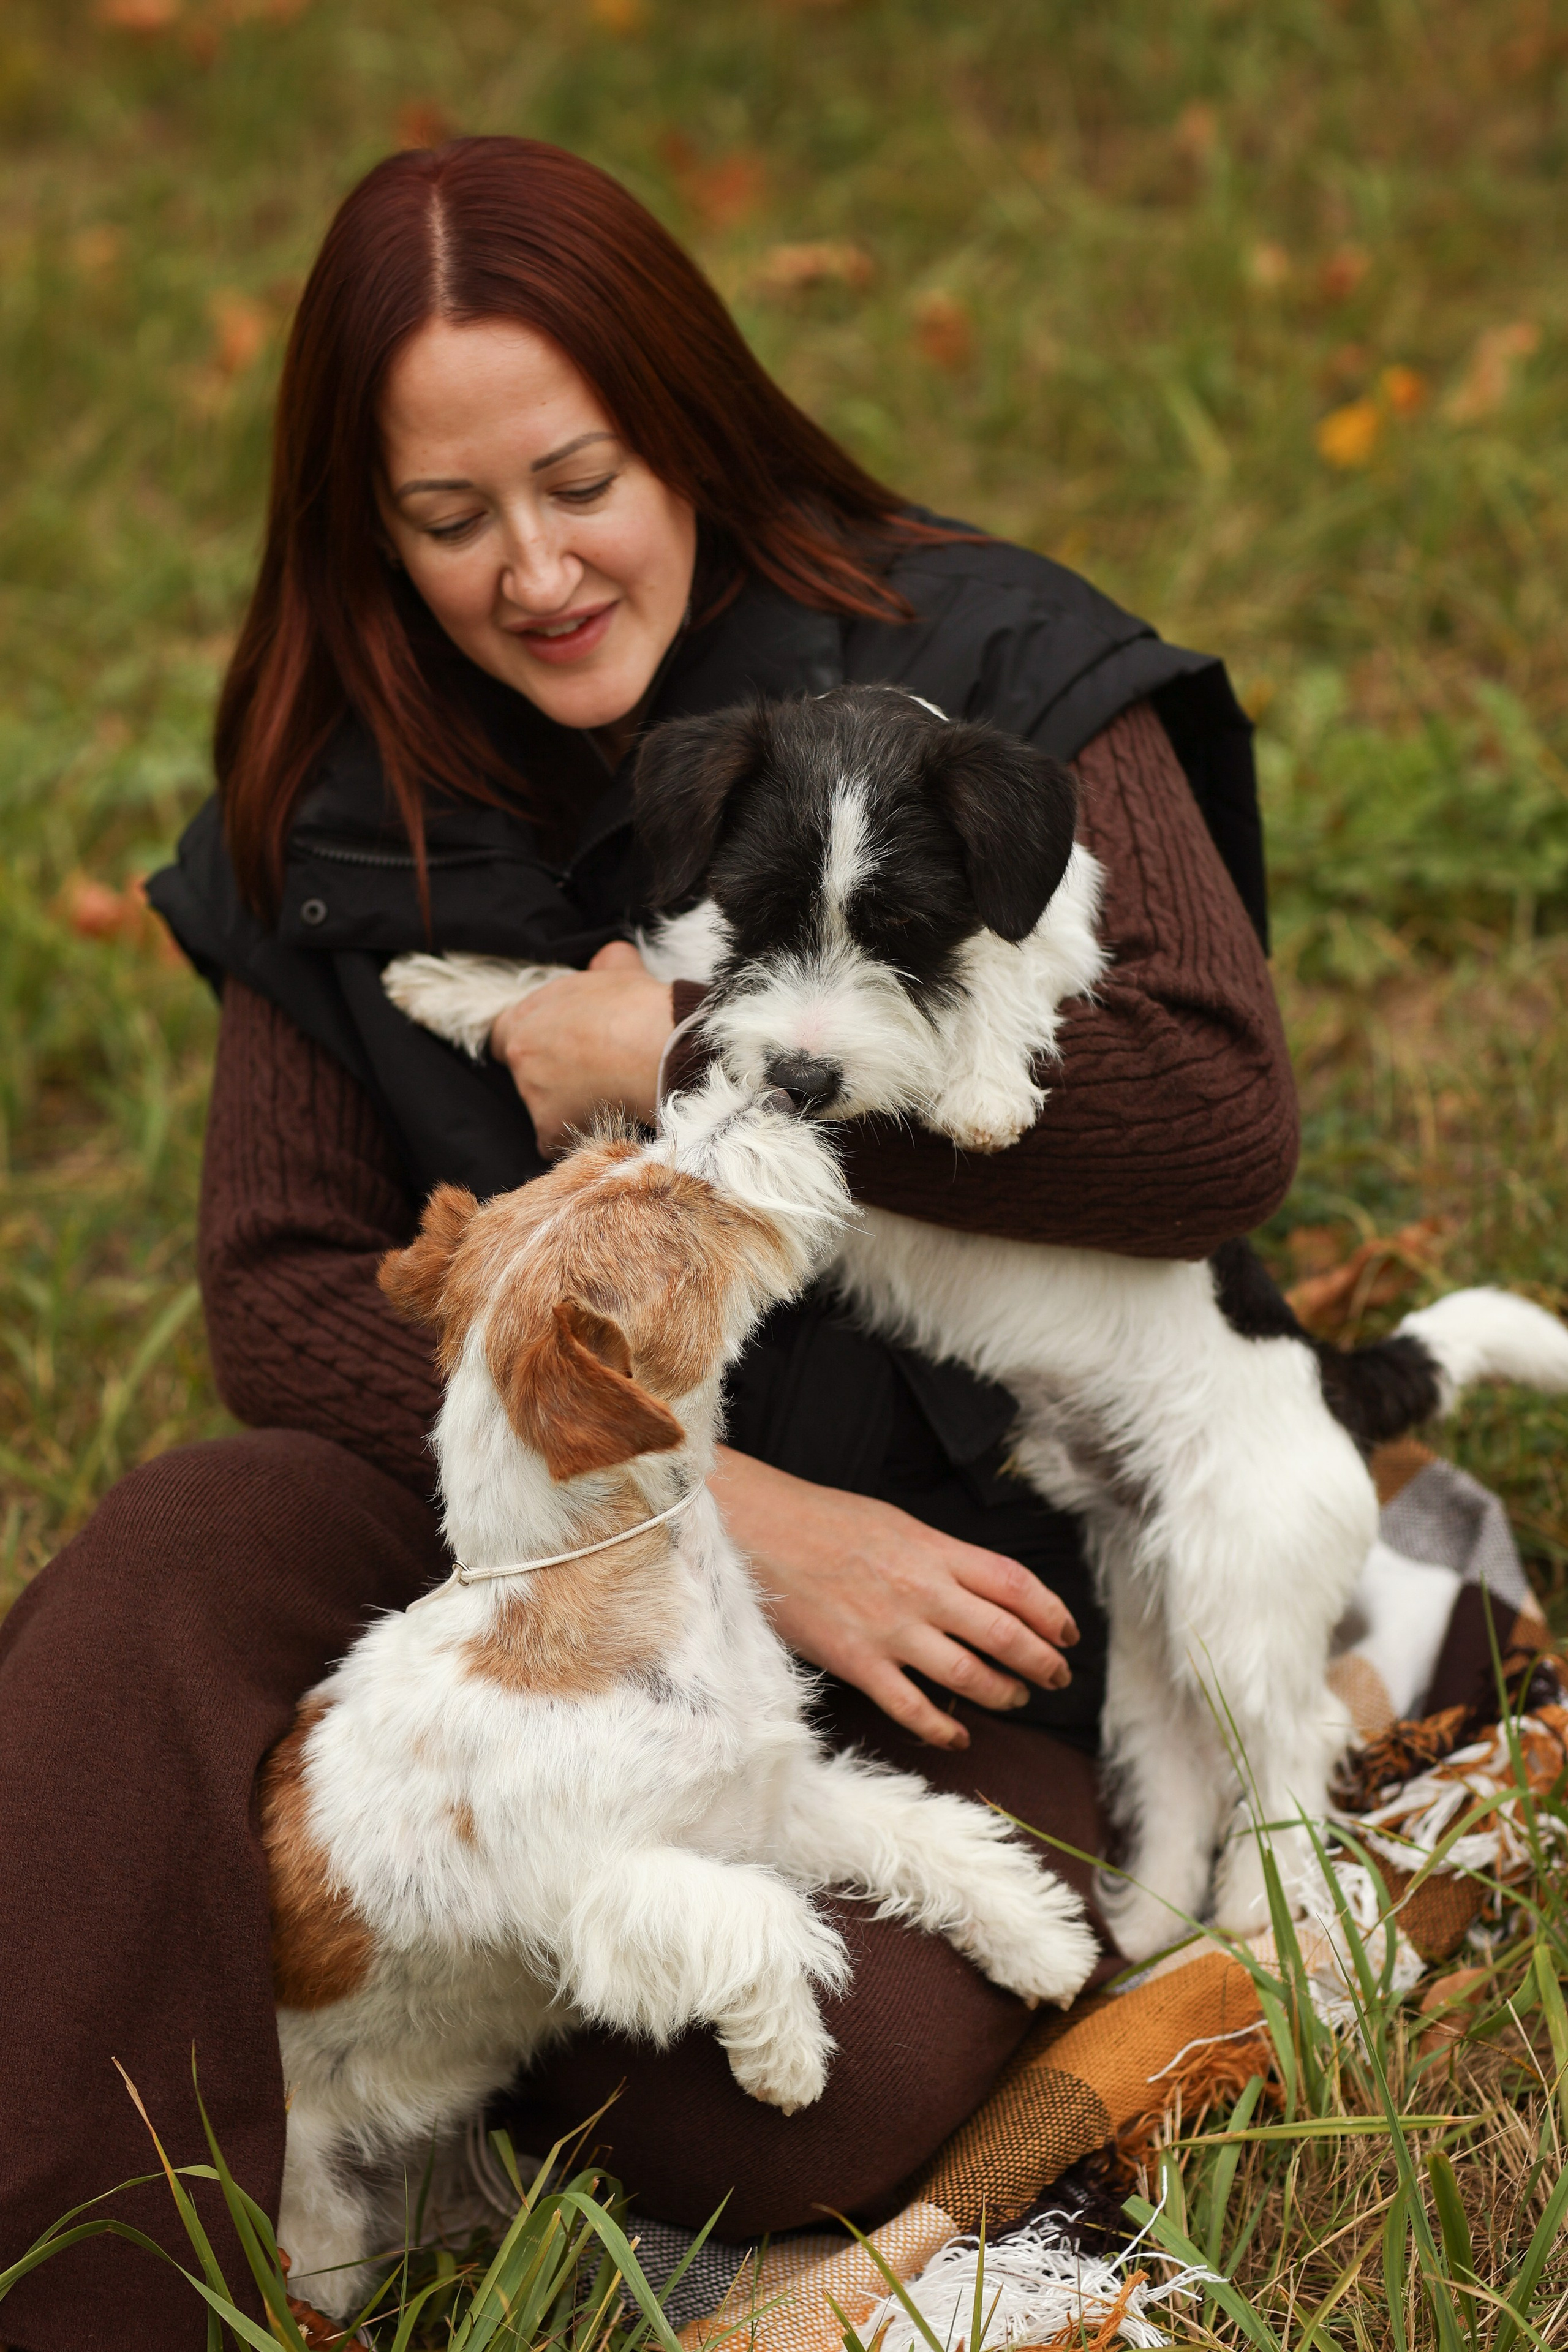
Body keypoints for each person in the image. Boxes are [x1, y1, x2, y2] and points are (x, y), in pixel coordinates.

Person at [0, 137, 1298, 2352]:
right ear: (366, 530)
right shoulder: (346, 783)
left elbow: (1212, 1119)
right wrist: (711, 1509)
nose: (533, 570)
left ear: (686, 416)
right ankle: (91, 2277)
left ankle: (385, 2052)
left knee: (803, 2089)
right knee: (160, 1582)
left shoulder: (988, 665)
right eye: (447, 520)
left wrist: (698, 1040)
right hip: (526, 1547)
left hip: (947, 1593)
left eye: (580, 478)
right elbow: (280, 1287)